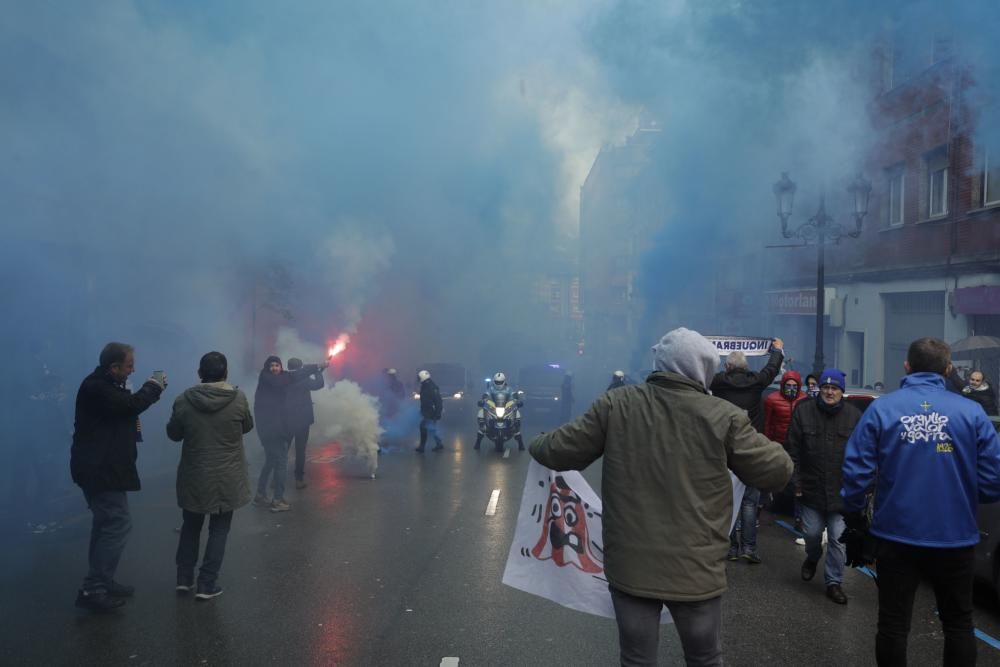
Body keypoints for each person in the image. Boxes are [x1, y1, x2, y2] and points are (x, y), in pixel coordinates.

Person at [530, 327, 792, 666]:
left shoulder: (617, 404)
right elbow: (778, 471)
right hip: (696, 570)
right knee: (705, 657)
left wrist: (537, 441)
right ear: (704, 369)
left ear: (660, 362)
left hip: (632, 567)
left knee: (637, 659)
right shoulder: (722, 416)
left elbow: (559, 450)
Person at [841, 337, 1000, 666]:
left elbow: (856, 471)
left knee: (893, 625)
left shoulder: (883, 408)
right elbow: (994, 476)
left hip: (896, 534)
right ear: (948, 369)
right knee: (958, 623)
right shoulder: (971, 412)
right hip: (955, 535)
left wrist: (855, 515)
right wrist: (966, 494)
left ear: (907, 366)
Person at [70, 342, 166, 612]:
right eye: (128, 366)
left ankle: (102, 580)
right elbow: (129, 406)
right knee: (117, 524)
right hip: (99, 468)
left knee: (105, 523)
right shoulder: (97, 387)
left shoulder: (107, 384)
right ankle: (94, 588)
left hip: (103, 465)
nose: (132, 370)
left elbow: (126, 407)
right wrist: (154, 387)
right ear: (113, 367)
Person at [166, 352, 254, 601]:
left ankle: (184, 579)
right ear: (225, 373)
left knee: (190, 527)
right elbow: (247, 426)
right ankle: (207, 583)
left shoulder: (183, 400)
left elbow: (174, 434)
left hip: (195, 474)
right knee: (219, 530)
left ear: (199, 373)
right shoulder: (238, 399)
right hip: (227, 476)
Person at [785, 368, 861, 605]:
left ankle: (834, 582)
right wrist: (795, 482)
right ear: (820, 388)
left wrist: (861, 487)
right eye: (826, 387)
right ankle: (812, 556)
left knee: (839, 539)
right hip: (810, 489)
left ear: (842, 391)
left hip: (842, 492)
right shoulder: (804, 411)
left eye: (835, 388)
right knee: (812, 534)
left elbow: (862, 454)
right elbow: (792, 449)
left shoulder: (854, 416)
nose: (829, 392)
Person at [711, 339, 785, 564]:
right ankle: (749, 548)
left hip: (724, 449)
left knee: (728, 500)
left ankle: (731, 548)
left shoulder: (718, 382)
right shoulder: (756, 382)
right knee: (750, 501)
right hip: (750, 449)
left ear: (727, 367)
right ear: (746, 367)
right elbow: (771, 370)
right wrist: (777, 351)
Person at [253, 356, 324, 512]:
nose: (275, 368)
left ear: (284, 367)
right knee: (287, 458)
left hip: (282, 425)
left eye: (277, 365)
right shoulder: (284, 380)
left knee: (273, 459)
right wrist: (319, 370)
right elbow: (318, 383)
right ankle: (281, 496)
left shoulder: (279, 380)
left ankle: (262, 492)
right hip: (285, 425)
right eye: (272, 366)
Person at [762, 370, 807, 532]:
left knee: (796, 481)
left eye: (794, 386)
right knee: (776, 477)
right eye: (788, 385)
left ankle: (797, 515)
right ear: (783, 385)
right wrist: (767, 444)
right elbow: (767, 423)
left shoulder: (804, 399)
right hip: (778, 444)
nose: (791, 388)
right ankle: (770, 504)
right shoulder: (772, 399)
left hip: (797, 446)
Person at [284, 357, 326, 490]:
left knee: (283, 450)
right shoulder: (304, 379)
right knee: (300, 450)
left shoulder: (283, 379)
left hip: (286, 420)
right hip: (302, 420)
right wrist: (318, 372)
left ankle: (276, 478)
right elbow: (319, 384)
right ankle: (299, 479)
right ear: (301, 367)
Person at [474, 372, 525, 452]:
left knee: (517, 418)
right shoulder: (490, 388)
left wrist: (517, 400)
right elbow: (486, 395)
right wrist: (483, 400)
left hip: (506, 408)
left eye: (500, 382)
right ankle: (478, 442)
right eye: (497, 382)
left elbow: (514, 396)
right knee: (481, 415)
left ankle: (520, 443)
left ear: (504, 381)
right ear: (494, 381)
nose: (498, 383)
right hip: (493, 408)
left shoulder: (509, 389)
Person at [416, 369, 443, 452]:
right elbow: (425, 400)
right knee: (431, 428)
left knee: (423, 427)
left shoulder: (431, 387)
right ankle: (439, 443)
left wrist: (438, 413)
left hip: (431, 412)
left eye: (419, 377)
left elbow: (438, 401)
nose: (418, 379)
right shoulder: (425, 386)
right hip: (427, 411)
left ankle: (422, 447)